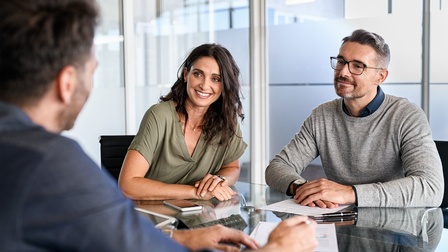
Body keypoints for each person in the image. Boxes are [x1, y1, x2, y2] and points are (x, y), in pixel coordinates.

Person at [0, 0, 318, 251]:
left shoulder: (19, 149)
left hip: (184, 226)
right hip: (154, 221)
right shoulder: (52, 165)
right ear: (67, 82)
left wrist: (185, 234)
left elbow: (231, 164)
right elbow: (126, 208)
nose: (205, 84)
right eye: (93, 69)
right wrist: (275, 249)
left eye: (216, 79)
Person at [265, 29, 444, 208]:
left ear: (380, 76)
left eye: (358, 66)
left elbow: (430, 188)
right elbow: (277, 167)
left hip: (396, 229)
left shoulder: (406, 116)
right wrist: (302, 188)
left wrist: (349, 192)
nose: (343, 72)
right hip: (339, 224)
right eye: (341, 61)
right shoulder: (322, 116)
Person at [119, 43, 247, 201]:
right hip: (152, 217)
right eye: (198, 74)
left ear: (224, 84)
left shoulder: (227, 120)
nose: (205, 85)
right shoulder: (159, 115)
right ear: (186, 74)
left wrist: (219, 181)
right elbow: (127, 185)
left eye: (216, 79)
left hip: (197, 217)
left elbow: (232, 167)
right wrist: (195, 193)